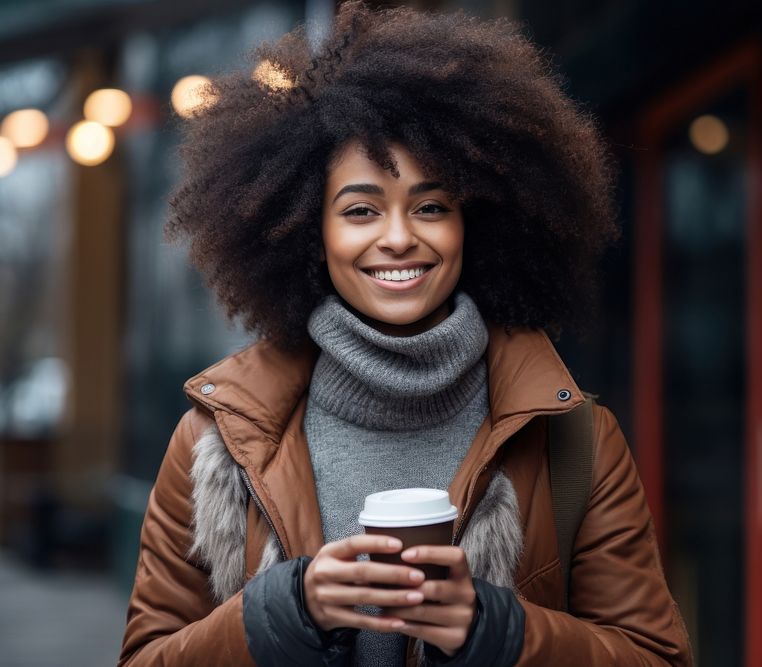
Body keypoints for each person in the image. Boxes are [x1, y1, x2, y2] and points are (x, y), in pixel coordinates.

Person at [118, 2, 692, 665]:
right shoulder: (215, 444)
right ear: (310, 230)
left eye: (431, 206)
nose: (398, 237)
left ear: (474, 223)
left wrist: (497, 631)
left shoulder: (575, 443)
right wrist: (287, 611)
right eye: (361, 209)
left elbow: (658, 657)